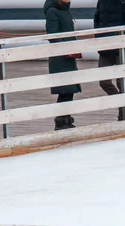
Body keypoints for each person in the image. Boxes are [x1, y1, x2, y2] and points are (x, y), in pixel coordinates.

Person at [94, 0, 125, 120]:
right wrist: (99, 37)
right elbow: (97, 18)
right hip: (105, 46)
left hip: (122, 46)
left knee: (122, 81)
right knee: (104, 81)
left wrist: (121, 36)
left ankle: (123, 113)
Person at [44, 0, 83, 130]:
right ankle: (61, 120)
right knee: (65, 90)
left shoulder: (64, 10)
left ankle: (65, 118)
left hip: (68, 56)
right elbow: (52, 35)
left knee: (69, 90)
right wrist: (65, 46)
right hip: (60, 57)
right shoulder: (52, 11)